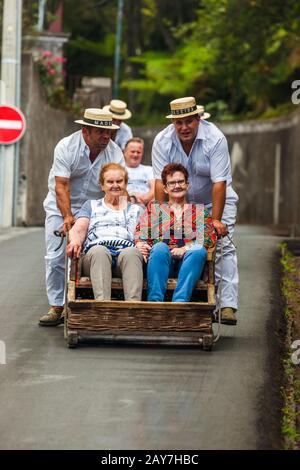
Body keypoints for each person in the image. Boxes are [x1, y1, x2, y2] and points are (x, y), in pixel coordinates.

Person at [151, 96, 239, 324]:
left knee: (223, 246)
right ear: (173, 123)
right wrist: (163, 217)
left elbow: (219, 182)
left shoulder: (215, 138)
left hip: (215, 199)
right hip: (182, 203)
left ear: (198, 119)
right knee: (175, 244)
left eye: (189, 121)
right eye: (179, 123)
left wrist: (216, 220)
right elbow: (160, 183)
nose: (184, 127)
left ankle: (227, 305)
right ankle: (188, 299)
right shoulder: (162, 140)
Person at [40, 109, 125, 326]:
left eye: (109, 132)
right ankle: (57, 306)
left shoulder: (114, 152)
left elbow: (118, 188)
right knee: (56, 256)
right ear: (85, 131)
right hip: (60, 204)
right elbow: (62, 185)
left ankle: (84, 302)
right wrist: (67, 216)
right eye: (100, 132)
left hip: (93, 208)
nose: (106, 137)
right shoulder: (66, 147)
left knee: (93, 252)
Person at [135, 163, 217, 302]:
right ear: (165, 189)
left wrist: (185, 248)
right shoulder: (156, 209)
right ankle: (155, 302)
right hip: (160, 263)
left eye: (180, 181)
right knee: (160, 247)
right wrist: (139, 243)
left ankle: (180, 302)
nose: (177, 186)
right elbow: (140, 233)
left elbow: (208, 238)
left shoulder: (199, 211)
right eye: (172, 183)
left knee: (198, 250)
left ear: (187, 185)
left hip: (188, 265)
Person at [67, 163, 144, 301]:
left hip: (125, 257)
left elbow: (143, 235)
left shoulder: (137, 210)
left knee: (132, 253)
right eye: (110, 182)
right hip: (94, 257)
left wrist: (142, 244)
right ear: (102, 185)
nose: (115, 185)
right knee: (100, 251)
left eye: (119, 181)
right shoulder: (91, 205)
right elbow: (79, 228)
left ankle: (133, 311)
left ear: (126, 183)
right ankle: (103, 308)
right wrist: (74, 241)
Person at [124, 137, 155, 206]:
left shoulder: (149, 169)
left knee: (156, 201)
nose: (135, 155)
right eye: (132, 151)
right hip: (126, 203)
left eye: (138, 152)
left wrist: (145, 199)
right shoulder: (120, 170)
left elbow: (155, 188)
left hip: (147, 203)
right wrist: (133, 198)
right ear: (125, 152)